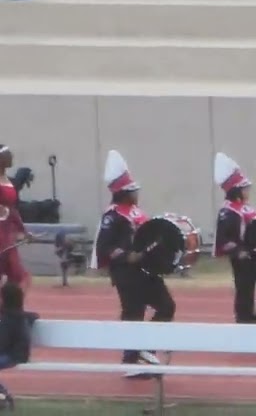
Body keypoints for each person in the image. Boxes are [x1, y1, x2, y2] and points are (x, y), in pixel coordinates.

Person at [91, 150, 174, 376]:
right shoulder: (113, 216)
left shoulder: (137, 212)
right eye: (133, 191)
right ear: (123, 193)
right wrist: (127, 255)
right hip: (126, 273)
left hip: (147, 270)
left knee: (166, 306)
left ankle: (144, 351)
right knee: (133, 312)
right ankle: (131, 362)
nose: (137, 193)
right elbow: (104, 246)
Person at [212, 152, 256, 325]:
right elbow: (223, 240)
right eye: (244, 188)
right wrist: (238, 251)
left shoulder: (245, 207)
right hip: (243, 259)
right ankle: (245, 323)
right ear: (235, 190)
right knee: (245, 290)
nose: (247, 191)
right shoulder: (227, 212)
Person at [0, 282, 35, 409]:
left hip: (14, 355)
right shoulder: (13, 316)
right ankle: (4, 396)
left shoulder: (11, 319)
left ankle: (4, 396)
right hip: (11, 352)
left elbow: (3, 343)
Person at [0, 147, 29, 293]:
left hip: (6, 233)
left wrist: (24, 231)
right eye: (7, 155)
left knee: (16, 274)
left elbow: (12, 210)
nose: (11, 157)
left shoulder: (8, 181)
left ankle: (9, 307)